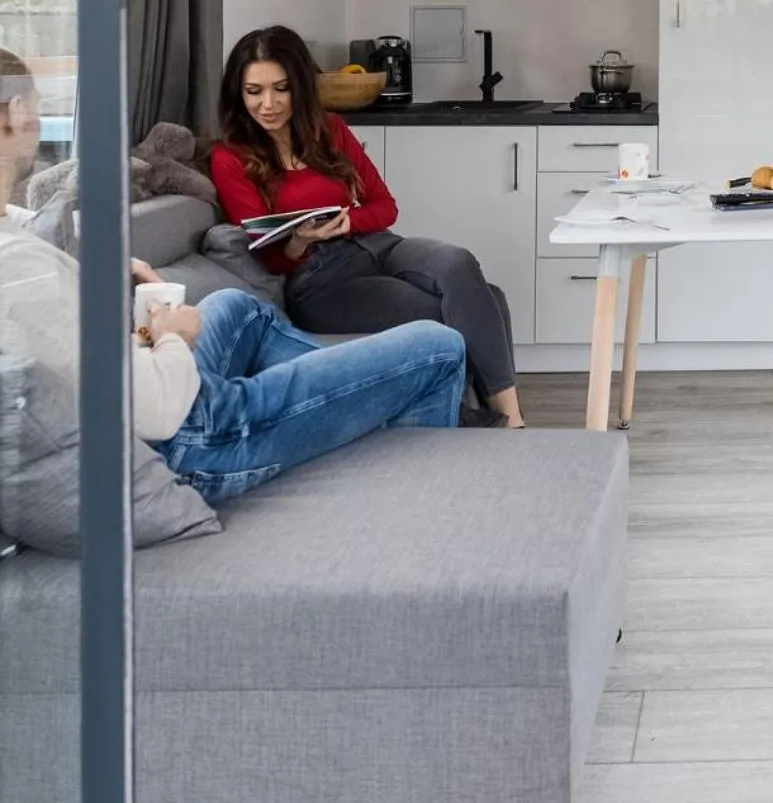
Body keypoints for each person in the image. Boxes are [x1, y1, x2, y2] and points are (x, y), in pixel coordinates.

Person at [0, 47, 466, 505]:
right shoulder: (23, 272)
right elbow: (156, 412)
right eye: (41, 107)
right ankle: (410, 490)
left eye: (281, 89)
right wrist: (167, 336)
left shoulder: (19, 236)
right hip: (194, 438)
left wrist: (102, 278)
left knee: (235, 306)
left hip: (168, 393)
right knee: (438, 344)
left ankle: (364, 392)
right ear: (18, 112)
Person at [211, 26, 525, 429]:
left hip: (378, 244)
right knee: (483, 301)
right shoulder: (231, 157)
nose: (267, 104)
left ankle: (508, 421)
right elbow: (267, 255)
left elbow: (385, 206)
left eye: (280, 89)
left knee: (459, 264)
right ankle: (487, 423)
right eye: (253, 91)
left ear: (300, 88)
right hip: (321, 280)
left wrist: (347, 221)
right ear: (238, 93)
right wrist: (300, 243)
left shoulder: (330, 130)